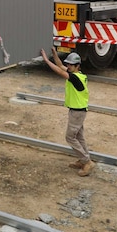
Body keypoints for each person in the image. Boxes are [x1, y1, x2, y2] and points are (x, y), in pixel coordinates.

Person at [40, 48, 95, 176]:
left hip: (77, 112)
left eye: (71, 65)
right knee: (79, 137)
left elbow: (59, 71)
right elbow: (60, 65)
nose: (68, 66)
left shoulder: (75, 78)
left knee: (70, 137)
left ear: (77, 66)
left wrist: (47, 61)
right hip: (77, 111)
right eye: (68, 64)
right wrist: (54, 53)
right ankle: (84, 160)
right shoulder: (77, 74)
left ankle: (87, 162)